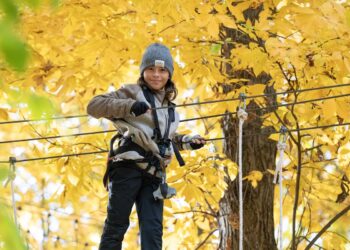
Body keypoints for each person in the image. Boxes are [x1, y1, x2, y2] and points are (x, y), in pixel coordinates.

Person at [86, 43, 206, 250]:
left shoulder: (170, 109)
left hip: (154, 174)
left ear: (169, 74)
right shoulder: (131, 92)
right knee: (117, 225)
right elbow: (94, 106)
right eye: (150, 69)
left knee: (153, 232)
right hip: (127, 168)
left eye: (162, 70)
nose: (156, 75)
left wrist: (187, 141)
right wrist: (130, 106)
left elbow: (164, 138)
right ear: (143, 72)